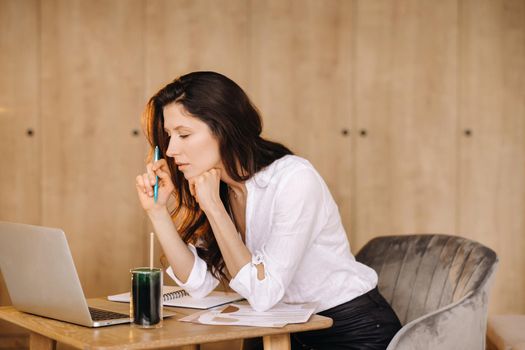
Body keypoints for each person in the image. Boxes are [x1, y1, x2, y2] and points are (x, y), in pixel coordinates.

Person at [135, 71, 401, 349]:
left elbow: (264, 294)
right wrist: (158, 212)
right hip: (275, 326)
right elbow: (199, 284)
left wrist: (214, 208)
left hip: (348, 330)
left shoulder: (294, 178)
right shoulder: (219, 187)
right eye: (168, 136)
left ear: (224, 129)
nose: (172, 149)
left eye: (184, 134)